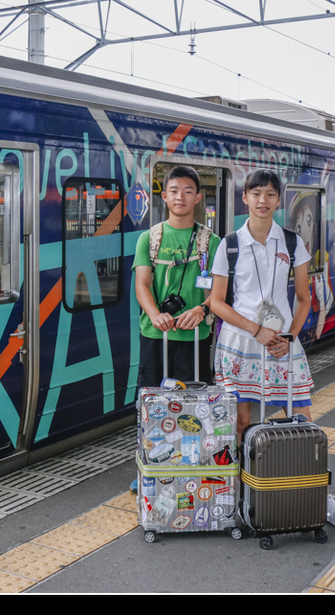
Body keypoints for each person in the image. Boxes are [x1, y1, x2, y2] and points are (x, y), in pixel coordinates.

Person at [209, 169, 335, 529]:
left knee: (303, 419)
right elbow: (216, 303)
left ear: (279, 201)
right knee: (241, 423)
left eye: (270, 195)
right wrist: (257, 330)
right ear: (244, 198)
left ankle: (318, 497)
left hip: (282, 346)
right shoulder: (228, 244)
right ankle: (244, 499)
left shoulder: (292, 243)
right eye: (256, 194)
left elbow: (304, 298)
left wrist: (289, 336)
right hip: (240, 345)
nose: (263, 201)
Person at [130, 165, 220, 492]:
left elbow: (218, 291)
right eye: (174, 191)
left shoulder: (212, 241)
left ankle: (188, 468)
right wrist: (154, 314)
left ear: (198, 197)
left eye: (187, 191)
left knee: (194, 405)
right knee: (151, 402)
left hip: (195, 337)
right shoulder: (149, 238)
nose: (180, 197)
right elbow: (142, 284)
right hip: (156, 335)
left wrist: (202, 308)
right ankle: (149, 466)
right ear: (164, 196)